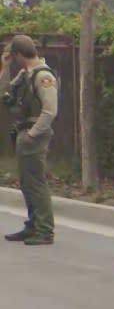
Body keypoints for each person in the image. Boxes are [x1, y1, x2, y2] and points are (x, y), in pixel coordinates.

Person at [0, 35, 57, 245]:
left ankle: (44, 229)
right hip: (24, 132)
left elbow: (50, 111)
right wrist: (4, 69)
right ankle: (33, 224)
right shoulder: (25, 74)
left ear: (18, 55)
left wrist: (33, 133)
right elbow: (4, 95)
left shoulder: (43, 76)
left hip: (35, 134)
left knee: (35, 183)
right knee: (27, 182)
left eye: (12, 57)